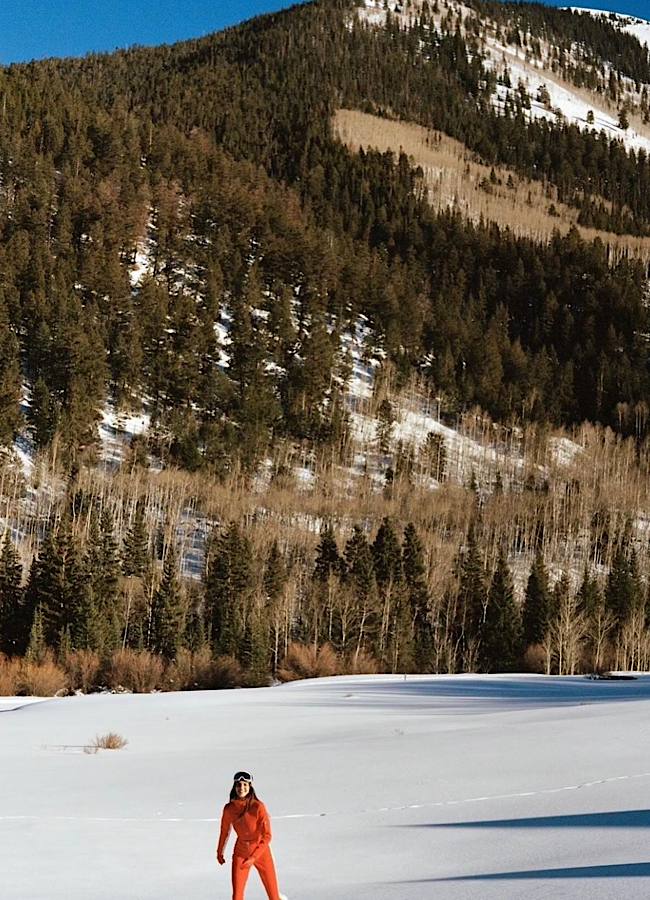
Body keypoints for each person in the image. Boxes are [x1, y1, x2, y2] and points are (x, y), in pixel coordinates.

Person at [216, 771, 286, 900]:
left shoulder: (258, 807)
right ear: (234, 787)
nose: (241, 788)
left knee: (274, 896)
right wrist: (219, 851)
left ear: (250, 787)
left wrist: (254, 857)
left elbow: (267, 835)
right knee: (237, 896)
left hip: (261, 852)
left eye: (244, 785)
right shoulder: (229, 809)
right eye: (238, 785)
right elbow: (224, 831)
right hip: (241, 853)